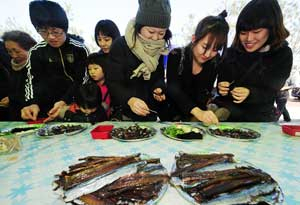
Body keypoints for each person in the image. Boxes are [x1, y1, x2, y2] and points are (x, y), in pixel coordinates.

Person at [216, 0, 292, 122]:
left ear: (272, 29)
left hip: (258, 119)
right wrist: (222, 86)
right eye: (243, 33)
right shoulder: (232, 52)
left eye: (256, 32)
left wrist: (251, 94)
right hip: (226, 116)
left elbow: (272, 90)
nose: (249, 39)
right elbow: (223, 77)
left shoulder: (283, 54)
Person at [21, 0, 89, 122]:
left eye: (55, 32)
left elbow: (82, 79)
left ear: (64, 28)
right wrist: (32, 103)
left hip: (74, 105)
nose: (50, 37)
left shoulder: (79, 49)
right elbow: (32, 80)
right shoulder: (36, 52)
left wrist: (65, 101)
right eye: (43, 31)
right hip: (46, 110)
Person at [106, 0, 172, 121]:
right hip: (125, 113)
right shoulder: (121, 45)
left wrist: (158, 89)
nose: (155, 37)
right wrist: (129, 99)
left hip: (151, 111)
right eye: (151, 32)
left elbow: (158, 77)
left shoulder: (160, 47)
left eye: (161, 33)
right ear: (139, 26)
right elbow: (113, 82)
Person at [166, 11, 229, 125]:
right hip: (171, 118)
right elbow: (173, 89)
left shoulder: (215, 61)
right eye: (205, 47)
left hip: (197, 121)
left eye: (215, 49)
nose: (208, 54)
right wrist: (197, 112)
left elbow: (204, 95)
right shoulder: (176, 55)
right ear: (194, 39)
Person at [2, 30, 37, 120]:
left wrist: (12, 99)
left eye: (17, 51)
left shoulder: (38, 64)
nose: (14, 55)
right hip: (16, 116)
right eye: (9, 51)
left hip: (35, 115)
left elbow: (40, 92)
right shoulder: (10, 65)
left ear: (29, 47)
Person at [86, 53, 111, 118]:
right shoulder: (88, 86)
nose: (92, 72)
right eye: (89, 69)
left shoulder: (112, 86)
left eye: (95, 68)